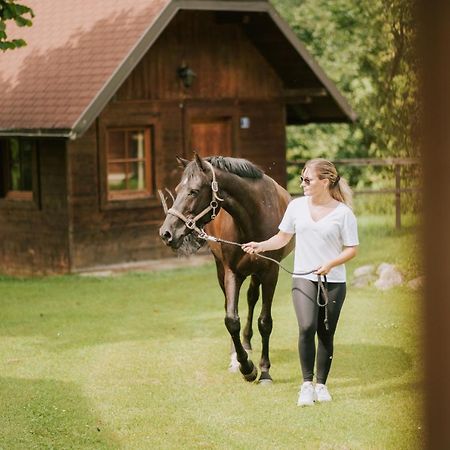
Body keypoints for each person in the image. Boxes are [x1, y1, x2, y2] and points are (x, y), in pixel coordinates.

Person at [242, 158, 359, 406]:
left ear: (325, 182)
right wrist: (260, 246)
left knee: (326, 334)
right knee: (307, 327)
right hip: (303, 278)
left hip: (334, 280)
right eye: (302, 178)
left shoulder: (343, 213)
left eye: (308, 179)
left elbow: (352, 249)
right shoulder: (296, 207)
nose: (303, 183)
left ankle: (322, 385)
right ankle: (306, 385)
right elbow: (283, 237)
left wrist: (331, 264)